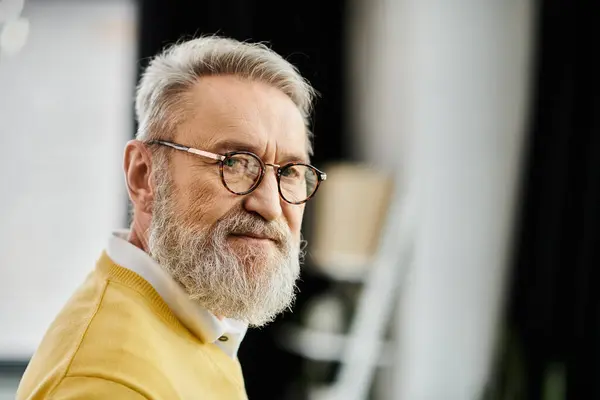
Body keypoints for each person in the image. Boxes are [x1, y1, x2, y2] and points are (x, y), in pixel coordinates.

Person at [17, 35, 326, 400]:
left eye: (289, 170)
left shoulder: (195, 319)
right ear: (143, 176)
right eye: (235, 163)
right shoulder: (110, 384)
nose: (271, 205)